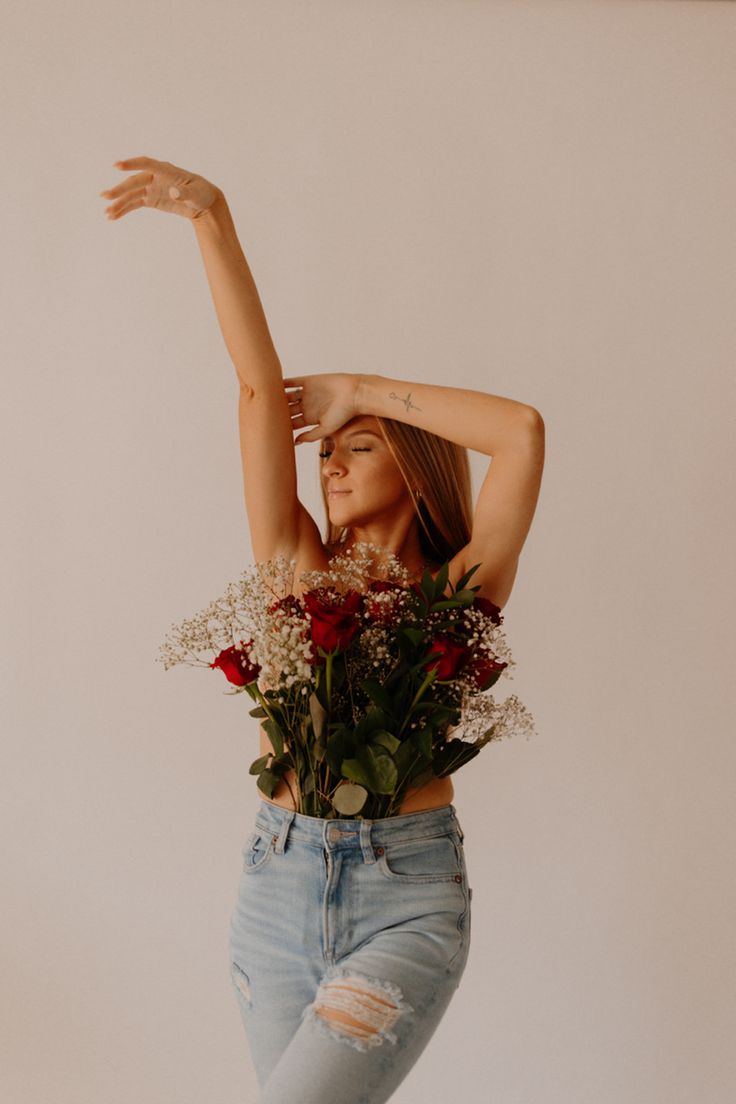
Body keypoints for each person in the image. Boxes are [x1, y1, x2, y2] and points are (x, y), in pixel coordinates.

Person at [101, 156, 545, 1103]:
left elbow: (521, 431)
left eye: (360, 444)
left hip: (406, 900)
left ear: (419, 466)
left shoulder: (462, 589)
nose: (331, 464)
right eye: (328, 450)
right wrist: (210, 220)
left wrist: (363, 386)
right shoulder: (295, 568)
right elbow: (259, 394)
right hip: (275, 887)